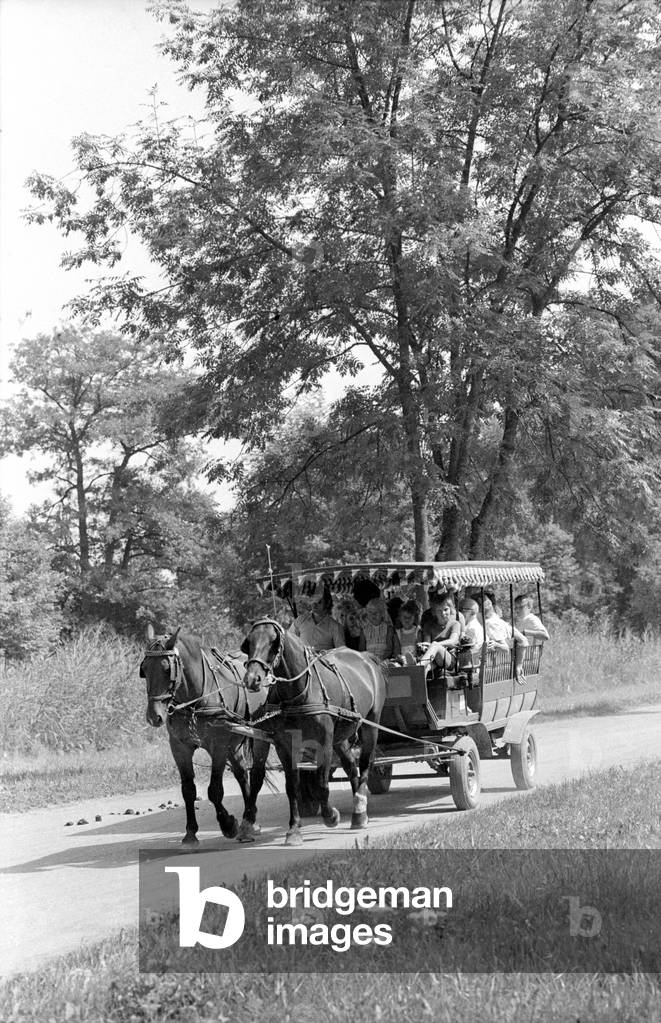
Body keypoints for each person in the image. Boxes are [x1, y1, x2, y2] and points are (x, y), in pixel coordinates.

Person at [483, 595, 528, 679]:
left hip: (496, 667)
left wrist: (519, 666)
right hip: (496, 665)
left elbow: (522, 641)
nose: (501, 611)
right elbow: (523, 640)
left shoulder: (495, 623)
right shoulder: (499, 622)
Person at [289, 586, 344, 651]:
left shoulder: (335, 627)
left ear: (327, 602)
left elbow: (341, 652)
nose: (314, 605)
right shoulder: (300, 620)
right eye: (313, 601)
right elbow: (290, 641)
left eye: (319, 602)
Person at [420, 594, 462, 671]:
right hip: (433, 659)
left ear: (451, 609)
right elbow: (427, 643)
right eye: (439, 611)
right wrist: (424, 646)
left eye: (445, 609)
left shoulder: (455, 624)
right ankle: (419, 676)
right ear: (434, 612)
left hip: (449, 659)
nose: (443, 613)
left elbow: (453, 641)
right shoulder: (428, 625)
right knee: (426, 668)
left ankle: (419, 665)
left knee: (435, 645)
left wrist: (436, 644)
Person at [394, 599, 421, 664]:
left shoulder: (417, 631)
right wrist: (399, 658)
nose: (407, 620)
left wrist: (416, 658)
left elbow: (420, 650)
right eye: (404, 617)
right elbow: (396, 651)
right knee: (396, 664)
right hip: (402, 660)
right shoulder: (398, 633)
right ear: (400, 618)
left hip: (415, 660)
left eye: (410, 617)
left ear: (414, 618)